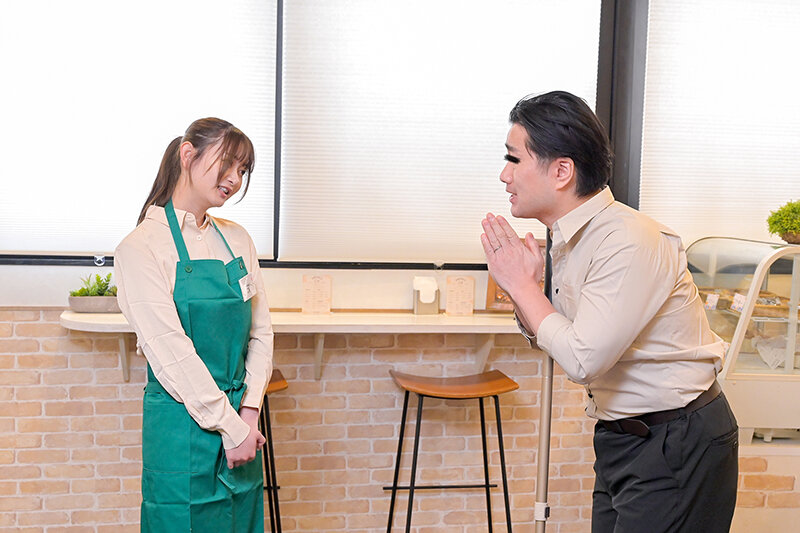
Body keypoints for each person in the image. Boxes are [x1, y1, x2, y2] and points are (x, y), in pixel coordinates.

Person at [480, 91, 738, 532]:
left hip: (675, 440)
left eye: (514, 159)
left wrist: (523, 287)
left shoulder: (628, 240)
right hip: (624, 439)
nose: (505, 175)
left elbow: (583, 359)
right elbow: (559, 336)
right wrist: (525, 291)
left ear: (561, 171)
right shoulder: (571, 238)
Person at [115, 118, 274, 532]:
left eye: (243, 170)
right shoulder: (140, 248)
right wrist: (229, 426)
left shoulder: (238, 240)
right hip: (181, 427)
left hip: (242, 423)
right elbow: (170, 351)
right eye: (229, 163)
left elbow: (260, 332)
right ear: (188, 155)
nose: (235, 178)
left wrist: (249, 413)